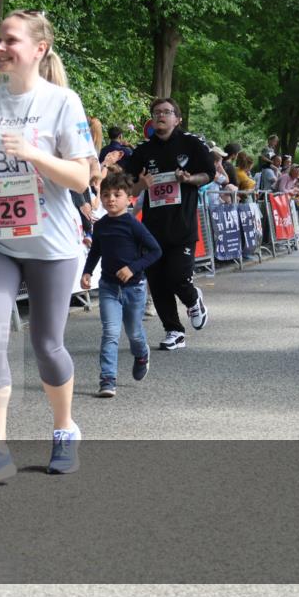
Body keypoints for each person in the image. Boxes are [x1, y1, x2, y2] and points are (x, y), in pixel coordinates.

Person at [0, 9, 95, 485]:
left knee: (46, 344)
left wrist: (35, 153)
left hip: (51, 243)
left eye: (10, 40)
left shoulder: (63, 102)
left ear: (38, 49)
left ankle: (64, 428)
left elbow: (82, 176)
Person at [120, 98, 213, 351]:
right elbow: (127, 185)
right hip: (152, 226)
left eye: (167, 112)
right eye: (156, 112)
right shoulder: (143, 151)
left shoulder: (191, 144)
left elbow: (209, 174)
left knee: (178, 276)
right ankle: (174, 330)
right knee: (158, 280)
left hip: (182, 223)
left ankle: (193, 300)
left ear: (177, 118)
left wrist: (189, 178)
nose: (160, 115)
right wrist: (142, 186)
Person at [80, 170, 162, 399]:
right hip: (108, 288)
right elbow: (95, 251)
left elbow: (155, 251)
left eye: (117, 194)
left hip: (134, 288)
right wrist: (87, 271)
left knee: (134, 332)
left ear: (129, 198)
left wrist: (133, 268)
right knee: (110, 332)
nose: (111, 199)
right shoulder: (102, 225)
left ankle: (142, 354)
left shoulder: (133, 224)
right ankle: (107, 378)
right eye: (106, 195)